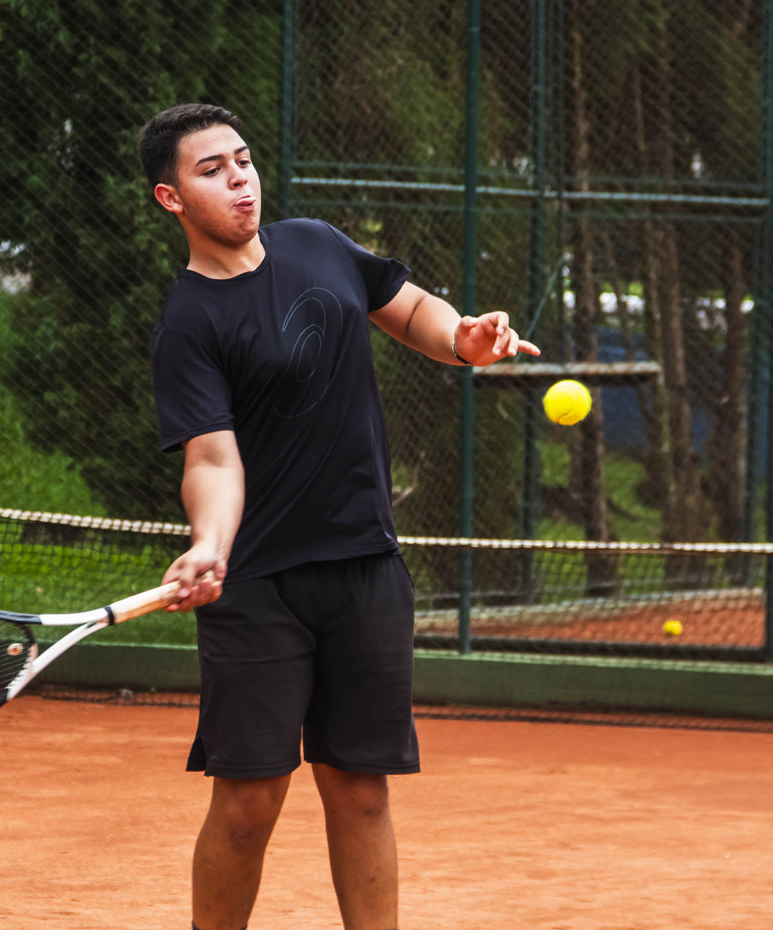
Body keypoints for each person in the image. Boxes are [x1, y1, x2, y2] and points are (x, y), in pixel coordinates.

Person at [140, 102, 539, 930]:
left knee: (360, 791)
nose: (238, 180)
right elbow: (212, 459)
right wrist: (210, 544)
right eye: (211, 171)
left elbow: (411, 309)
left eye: (242, 160)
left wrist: (461, 339)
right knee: (247, 802)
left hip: (364, 567)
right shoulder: (190, 323)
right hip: (258, 587)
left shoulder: (317, 243)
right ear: (170, 198)